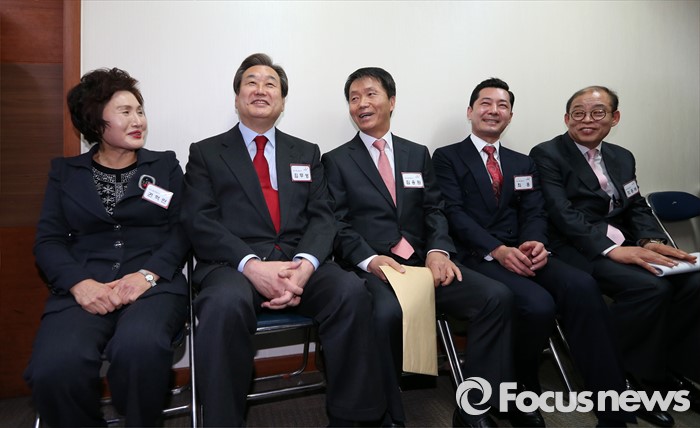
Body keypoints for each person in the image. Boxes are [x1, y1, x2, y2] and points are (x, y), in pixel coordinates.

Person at [180, 53, 385, 427]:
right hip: (234, 266)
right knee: (222, 305)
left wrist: (305, 266)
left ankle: (352, 419)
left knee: (351, 291)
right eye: (251, 82)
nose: (261, 89)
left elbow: (323, 216)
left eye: (270, 83)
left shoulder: (305, 151)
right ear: (237, 97)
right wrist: (252, 266)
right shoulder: (206, 153)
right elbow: (199, 220)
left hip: (297, 261)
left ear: (282, 100)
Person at [433, 77, 635, 427]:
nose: (493, 111)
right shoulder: (446, 157)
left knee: (582, 285)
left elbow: (535, 211)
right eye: (485, 103)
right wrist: (496, 250)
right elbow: (453, 213)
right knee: (538, 305)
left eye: (502, 105)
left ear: (510, 116)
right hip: (477, 255)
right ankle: (519, 388)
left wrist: (535, 242)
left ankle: (612, 403)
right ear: (470, 111)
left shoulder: (522, 162)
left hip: (523, 250)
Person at [322, 67, 515, 428]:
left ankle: (474, 408)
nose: (362, 104)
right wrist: (369, 260)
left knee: (495, 297)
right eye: (354, 98)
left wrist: (439, 251)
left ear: (392, 101)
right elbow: (337, 223)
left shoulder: (417, 153)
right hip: (375, 268)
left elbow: (434, 210)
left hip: (423, 264)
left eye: (371, 94)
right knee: (384, 315)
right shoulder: (335, 161)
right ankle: (389, 417)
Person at [24, 68, 190, 427]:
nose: (138, 121)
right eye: (125, 112)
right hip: (85, 286)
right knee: (54, 367)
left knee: (140, 349)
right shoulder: (65, 173)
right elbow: (48, 240)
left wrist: (149, 274)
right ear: (95, 122)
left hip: (153, 286)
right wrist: (79, 284)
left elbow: (184, 229)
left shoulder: (164, 164)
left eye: (139, 111)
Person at [530, 85, 700, 426]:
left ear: (614, 117)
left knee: (692, 281)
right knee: (650, 289)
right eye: (578, 113)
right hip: (577, 247)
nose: (587, 120)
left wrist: (650, 240)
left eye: (598, 112)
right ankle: (631, 379)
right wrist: (611, 249)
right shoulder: (547, 154)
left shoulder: (622, 156)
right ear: (566, 118)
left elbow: (636, 205)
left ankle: (668, 369)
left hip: (625, 242)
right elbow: (562, 213)